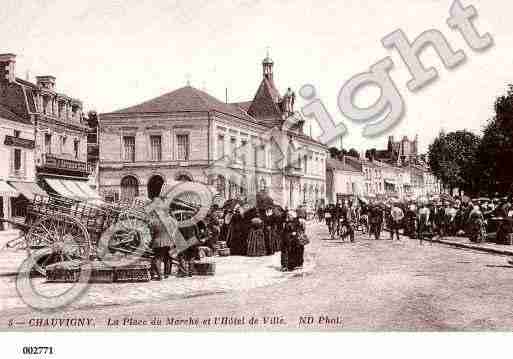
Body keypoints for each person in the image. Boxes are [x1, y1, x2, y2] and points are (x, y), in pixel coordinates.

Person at [149, 212, 173, 280]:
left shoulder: (154, 223)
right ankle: (166, 274)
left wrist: (151, 242)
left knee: (157, 258)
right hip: (168, 242)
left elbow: (152, 234)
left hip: (157, 243)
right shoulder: (169, 222)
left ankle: (159, 275)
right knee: (167, 258)